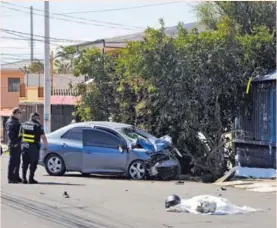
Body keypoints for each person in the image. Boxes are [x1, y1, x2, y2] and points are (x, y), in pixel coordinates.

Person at [19, 112, 48, 184]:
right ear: (36, 118)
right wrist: (46, 146)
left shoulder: (23, 124)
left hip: (24, 146)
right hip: (33, 147)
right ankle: (31, 179)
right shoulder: (38, 125)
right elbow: (43, 137)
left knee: (24, 163)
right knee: (33, 163)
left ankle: (24, 179)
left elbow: (20, 135)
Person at [5, 107, 23, 183]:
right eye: (19, 113)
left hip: (18, 143)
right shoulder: (11, 122)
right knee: (13, 161)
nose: (20, 114)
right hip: (13, 144)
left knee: (18, 161)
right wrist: (15, 143)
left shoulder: (16, 121)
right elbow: (10, 135)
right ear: (15, 113)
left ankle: (16, 176)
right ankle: (11, 178)